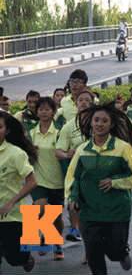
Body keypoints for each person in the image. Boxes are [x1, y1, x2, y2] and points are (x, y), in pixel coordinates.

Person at [65, 102, 132, 275]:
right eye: (96, 120)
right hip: (90, 211)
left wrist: (114, 182)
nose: (99, 124)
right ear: (91, 123)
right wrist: (73, 198)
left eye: (104, 121)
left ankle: (121, 253)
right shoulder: (83, 150)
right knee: (93, 254)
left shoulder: (123, 148)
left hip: (116, 211)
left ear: (111, 124)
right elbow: (72, 177)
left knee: (114, 251)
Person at [0, 111, 38, 272]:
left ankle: (25, 257)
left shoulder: (16, 153)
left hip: (12, 216)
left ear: (7, 130)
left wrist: (10, 203)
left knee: (15, 258)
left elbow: (32, 182)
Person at [55, 91, 94, 247]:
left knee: (85, 210)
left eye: (87, 100)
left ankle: (60, 246)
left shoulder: (98, 122)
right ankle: (37, 248)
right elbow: (58, 151)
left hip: (91, 172)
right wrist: (66, 154)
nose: (83, 102)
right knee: (40, 206)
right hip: (53, 177)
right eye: (80, 100)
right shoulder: (68, 126)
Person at [29, 97, 65, 260]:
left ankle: (56, 244)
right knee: (40, 208)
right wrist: (31, 153)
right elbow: (24, 155)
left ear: (53, 112)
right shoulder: (31, 132)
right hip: (38, 180)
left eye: (47, 109)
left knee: (56, 217)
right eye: (41, 109)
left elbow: (64, 151)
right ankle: (41, 238)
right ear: (36, 112)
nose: (44, 112)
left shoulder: (60, 131)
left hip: (57, 179)